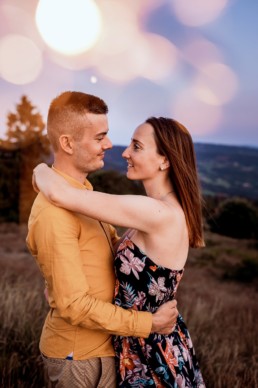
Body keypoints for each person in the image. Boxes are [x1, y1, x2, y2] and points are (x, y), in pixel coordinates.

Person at [33, 115, 206, 387]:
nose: (124, 152)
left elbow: (60, 195)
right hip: (149, 344)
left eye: (136, 147)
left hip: (151, 353)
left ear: (165, 160)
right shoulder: (159, 211)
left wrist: (40, 169)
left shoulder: (157, 213)